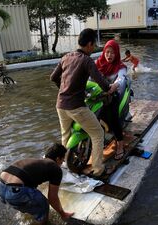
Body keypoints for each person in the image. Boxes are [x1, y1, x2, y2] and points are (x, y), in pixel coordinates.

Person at [50, 28, 117, 178]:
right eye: (94, 45)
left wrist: (64, 88)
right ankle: (98, 169)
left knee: (65, 135)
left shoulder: (66, 57)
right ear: (89, 44)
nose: (94, 48)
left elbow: (53, 77)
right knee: (98, 133)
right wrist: (110, 88)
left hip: (60, 104)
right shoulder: (86, 60)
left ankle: (63, 166)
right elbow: (101, 81)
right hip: (76, 106)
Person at [0, 143, 74, 224]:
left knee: (32, 202)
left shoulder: (38, 162)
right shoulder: (55, 168)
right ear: (58, 159)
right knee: (44, 205)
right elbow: (52, 198)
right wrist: (63, 214)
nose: (62, 163)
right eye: (62, 160)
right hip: (17, 191)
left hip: (0, 187)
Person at [96, 40, 127, 160]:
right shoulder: (97, 63)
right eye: (107, 52)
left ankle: (120, 145)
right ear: (104, 52)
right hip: (97, 95)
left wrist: (114, 86)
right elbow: (88, 75)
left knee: (112, 117)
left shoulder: (120, 67)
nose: (109, 55)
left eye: (113, 53)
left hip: (112, 95)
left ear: (117, 54)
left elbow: (121, 79)